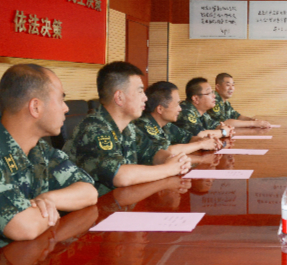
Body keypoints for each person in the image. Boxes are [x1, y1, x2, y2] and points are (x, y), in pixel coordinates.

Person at [0, 64, 98, 265]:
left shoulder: (40, 150)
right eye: (61, 99)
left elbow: (89, 192)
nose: (66, 108)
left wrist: (46, 200)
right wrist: (40, 210)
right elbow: (24, 226)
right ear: (35, 107)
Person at [63, 62, 191, 195]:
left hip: (122, 200)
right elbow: (119, 175)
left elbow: (152, 152)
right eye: (140, 91)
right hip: (96, 206)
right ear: (119, 97)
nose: (145, 98)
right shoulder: (94, 128)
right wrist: (169, 169)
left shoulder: (128, 127)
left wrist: (174, 160)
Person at [134, 81, 222, 159]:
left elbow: (188, 138)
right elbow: (165, 152)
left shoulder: (166, 125)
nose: (180, 109)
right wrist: (201, 144)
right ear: (160, 109)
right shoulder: (144, 125)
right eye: (177, 104)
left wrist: (206, 140)